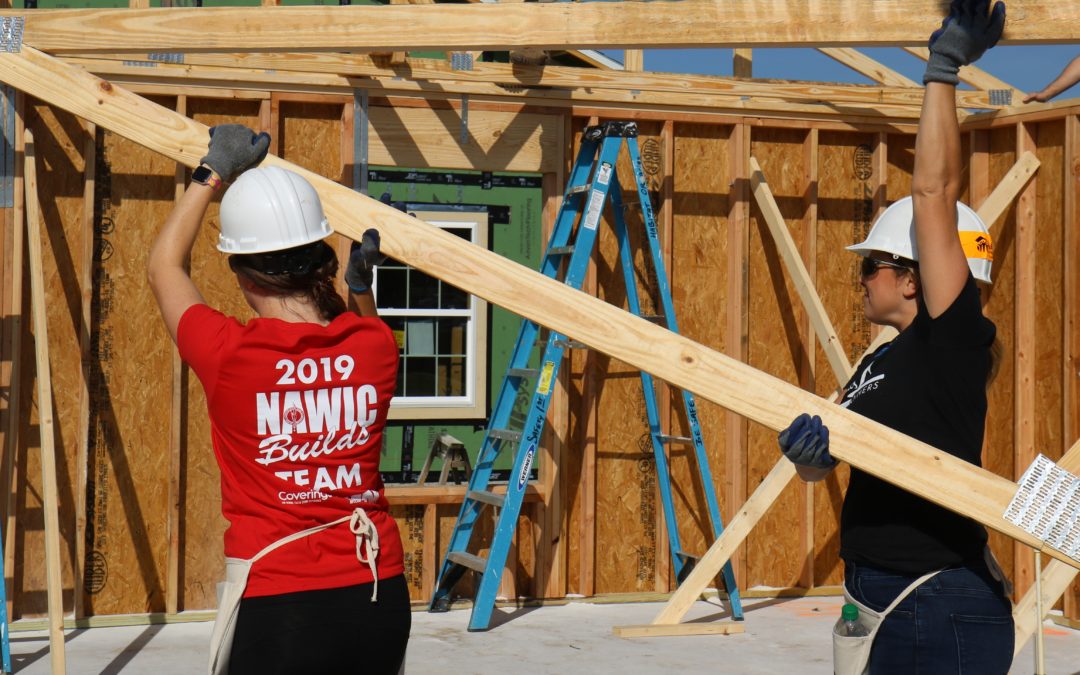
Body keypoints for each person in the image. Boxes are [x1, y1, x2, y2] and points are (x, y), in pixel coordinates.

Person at [777, 1, 1013, 672]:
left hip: (939, 601)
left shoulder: (952, 339)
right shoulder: (877, 362)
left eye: (871, 266)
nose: (861, 280)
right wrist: (808, 457)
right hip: (875, 596)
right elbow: (834, 462)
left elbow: (934, 193)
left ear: (915, 278)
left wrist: (941, 71)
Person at [147, 125, 410, 675]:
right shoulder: (375, 347)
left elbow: (163, 267)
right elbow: (363, 331)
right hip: (378, 589)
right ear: (322, 260)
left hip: (282, 599)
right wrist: (360, 289)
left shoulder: (229, 355)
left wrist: (212, 172)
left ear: (243, 276)